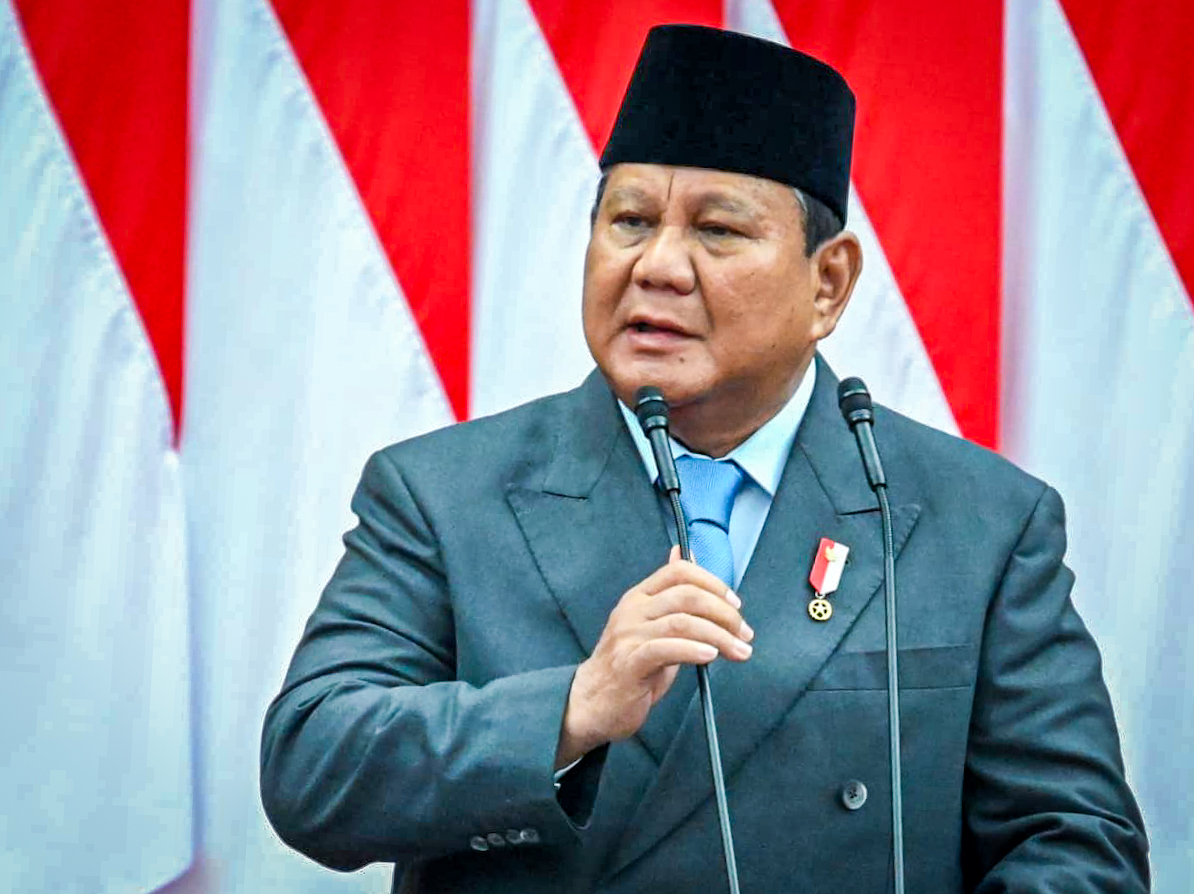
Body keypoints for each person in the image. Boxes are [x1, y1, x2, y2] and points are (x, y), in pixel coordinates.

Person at [260, 25, 1148, 893]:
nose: (658, 266)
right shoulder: (444, 493)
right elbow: (313, 764)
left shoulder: (980, 520)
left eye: (718, 231)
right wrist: (571, 710)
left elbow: (1074, 844)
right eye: (630, 220)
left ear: (828, 283)